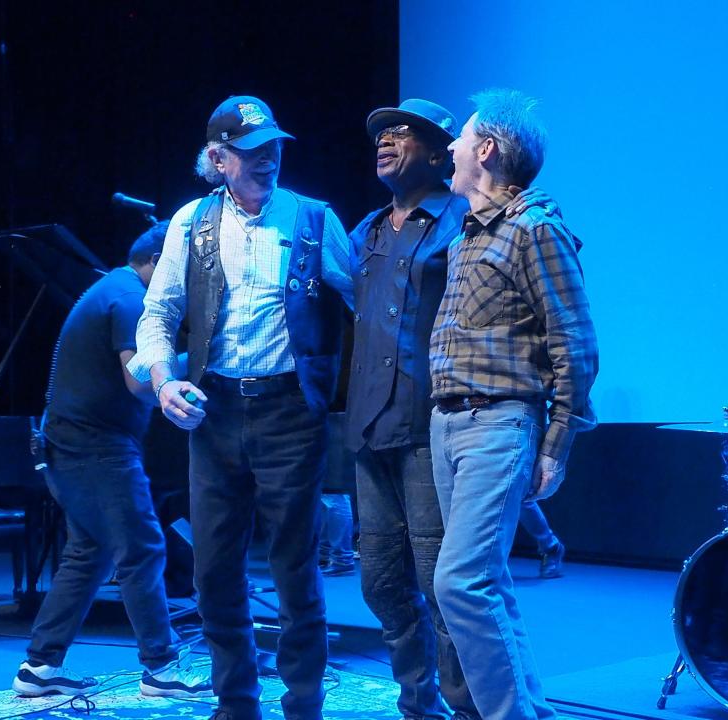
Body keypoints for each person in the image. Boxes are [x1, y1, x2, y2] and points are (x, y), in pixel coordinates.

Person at [128, 95, 352, 720]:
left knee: (295, 567)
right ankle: (236, 704)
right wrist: (164, 381)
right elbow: (159, 314)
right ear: (219, 158)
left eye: (274, 148)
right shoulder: (190, 223)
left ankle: (303, 702)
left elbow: (367, 299)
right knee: (215, 571)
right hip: (216, 412)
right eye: (252, 152)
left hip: (290, 412)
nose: (268, 160)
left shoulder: (313, 218)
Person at [347, 98, 561, 720]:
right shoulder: (368, 230)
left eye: (403, 133)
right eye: (381, 133)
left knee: (453, 588)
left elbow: (562, 335)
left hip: (436, 423)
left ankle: (473, 709)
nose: (386, 141)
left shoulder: (467, 223)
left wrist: (558, 436)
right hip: (377, 428)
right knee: (383, 584)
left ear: (447, 154)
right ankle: (421, 705)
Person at [429, 89, 599, 720]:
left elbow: (575, 344)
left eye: (461, 137)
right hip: (448, 423)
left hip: (498, 422)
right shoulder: (467, 235)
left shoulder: (537, 229)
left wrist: (557, 443)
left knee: (462, 582)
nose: (450, 146)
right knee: (486, 584)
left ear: (488, 150)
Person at [13, 221, 211, 698]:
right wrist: (198, 357)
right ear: (161, 262)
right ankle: (161, 668)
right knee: (142, 548)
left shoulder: (112, 288)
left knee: (89, 553)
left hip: (67, 444)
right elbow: (140, 384)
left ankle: (39, 669)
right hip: (95, 447)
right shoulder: (129, 300)